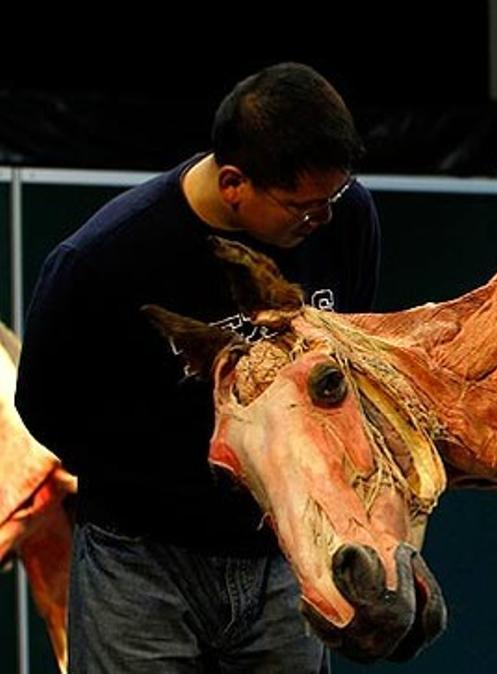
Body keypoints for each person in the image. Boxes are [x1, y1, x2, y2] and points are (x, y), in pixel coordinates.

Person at [16, 62, 380, 673]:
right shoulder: (104, 258)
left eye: (332, 200)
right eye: (301, 208)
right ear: (235, 183)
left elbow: (351, 363)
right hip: (142, 562)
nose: (320, 220)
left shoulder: (346, 221)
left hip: (281, 555)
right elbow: (43, 404)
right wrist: (161, 486)